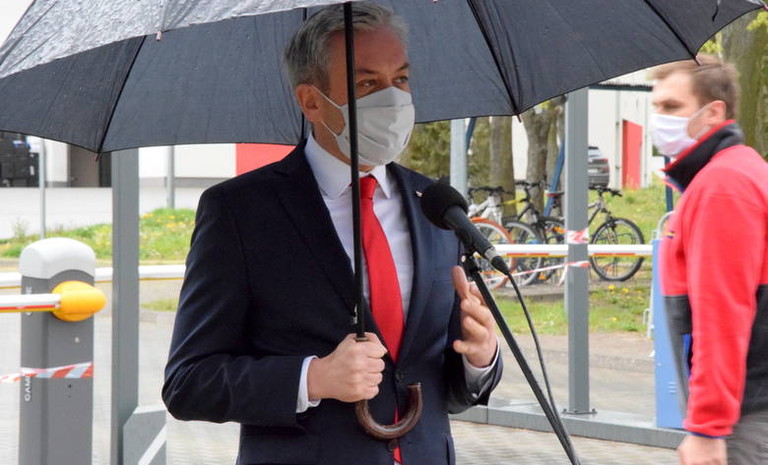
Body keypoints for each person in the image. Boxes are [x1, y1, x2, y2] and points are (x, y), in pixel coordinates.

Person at [162, 3, 502, 464]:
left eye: (401, 79)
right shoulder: (241, 211)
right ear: (311, 101)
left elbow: (444, 387)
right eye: (367, 84)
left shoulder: (437, 207)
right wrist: (313, 378)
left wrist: (479, 359)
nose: (393, 99)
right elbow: (188, 383)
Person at [651, 54, 768, 465]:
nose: (659, 119)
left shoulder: (722, 185)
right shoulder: (740, 170)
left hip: (744, 418)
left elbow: (721, 313)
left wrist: (706, 427)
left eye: (671, 106)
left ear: (713, 112)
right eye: (656, 107)